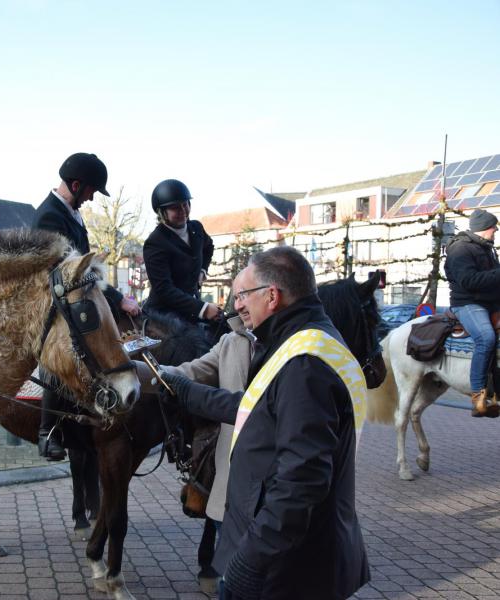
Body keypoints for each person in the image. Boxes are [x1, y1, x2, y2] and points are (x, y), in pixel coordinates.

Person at [161, 246, 369, 600]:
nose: (237, 305)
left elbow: (301, 480)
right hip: (295, 556)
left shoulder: (303, 363)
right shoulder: (306, 341)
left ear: (272, 296)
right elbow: (258, 408)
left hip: (285, 570)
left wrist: (250, 562)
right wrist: (187, 391)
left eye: (242, 295)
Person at [32, 152, 140, 460]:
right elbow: (68, 269)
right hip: (51, 301)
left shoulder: (72, 215)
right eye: (92, 190)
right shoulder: (49, 217)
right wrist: (119, 298)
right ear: (77, 185)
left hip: (73, 296)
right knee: (57, 353)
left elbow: (87, 269)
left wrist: (117, 300)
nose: (92, 198)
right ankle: (47, 430)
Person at [164, 310, 254, 592]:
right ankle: (51, 428)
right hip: (230, 476)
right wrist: (139, 368)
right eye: (236, 297)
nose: (239, 305)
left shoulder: (291, 345)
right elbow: (190, 370)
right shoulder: (230, 341)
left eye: (245, 295)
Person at [444, 208, 500, 418]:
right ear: (485, 228)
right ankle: (478, 396)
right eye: (494, 227)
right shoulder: (460, 249)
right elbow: (469, 281)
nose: (496, 231)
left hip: (490, 302)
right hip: (468, 303)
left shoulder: (486, 248)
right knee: (486, 337)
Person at [142, 179, 221, 324]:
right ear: (161, 212)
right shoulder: (155, 243)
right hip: (164, 315)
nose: (183, 211)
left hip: (191, 308)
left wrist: (203, 270)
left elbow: (209, 247)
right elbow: (164, 290)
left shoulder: (196, 228)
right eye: (175, 208)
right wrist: (203, 309)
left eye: (185, 204)